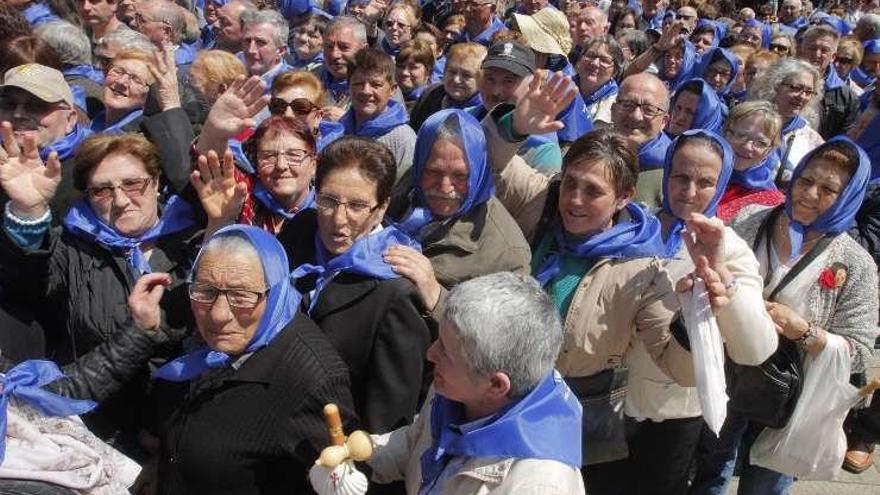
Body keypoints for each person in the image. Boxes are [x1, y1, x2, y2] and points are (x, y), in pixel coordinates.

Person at [484, 74, 697, 493]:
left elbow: (680, 368)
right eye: (571, 183)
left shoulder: (644, 267)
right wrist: (515, 126)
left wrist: (696, 316)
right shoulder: (542, 203)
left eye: (593, 191)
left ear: (624, 197)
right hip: (505, 399)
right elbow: (488, 160)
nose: (574, 201)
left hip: (575, 418)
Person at [692, 136, 880, 495]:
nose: (809, 194)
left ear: (848, 197)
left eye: (828, 189)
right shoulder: (750, 221)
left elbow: (859, 349)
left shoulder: (856, 264)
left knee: (766, 482)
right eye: (806, 180)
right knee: (709, 469)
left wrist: (804, 331)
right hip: (729, 374)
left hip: (789, 398)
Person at [0, 130, 199, 457]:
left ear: (156, 179)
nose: (120, 200)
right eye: (102, 191)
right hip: (101, 436)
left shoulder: (193, 240)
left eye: (133, 184)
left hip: (183, 436)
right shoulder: (72, 245)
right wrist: (30, 212)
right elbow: (23, 288)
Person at [320, 272, 586, 494]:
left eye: (445, 351)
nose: (430, 354)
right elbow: (417, 440)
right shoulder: (454, 388)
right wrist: (362, 457)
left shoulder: (540, 486)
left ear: (495, 385)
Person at [148, 224, 358, 494]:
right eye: (206, 290)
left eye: (241, 295)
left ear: (276, 292)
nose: (218, 314)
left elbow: (340, 483)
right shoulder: (200, 338)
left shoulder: (313, 382)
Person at [624, 129, 778, 495]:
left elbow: (755, 349)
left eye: (705, 182)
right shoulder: (633, 227)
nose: (689, 192)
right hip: (607, 403)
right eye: (680, 177)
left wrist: (722, 282)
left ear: (722, 183)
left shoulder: (729, 248)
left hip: (670, 414)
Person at [267, 137, 433, 438]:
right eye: (328, 200)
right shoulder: (301, 230)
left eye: (357, 206)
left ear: (381, 209)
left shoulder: (395, 292)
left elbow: (387, 421)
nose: (337, 220)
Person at [382, 108, 532, 310]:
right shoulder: (402, 188)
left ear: (478, 171)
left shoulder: (507, 254)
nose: (445, 187)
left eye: (461, 176)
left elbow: (501, 333)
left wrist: (436, 295)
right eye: (434, 171)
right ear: (418, 164)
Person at [468, 40, 562, 174]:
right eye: (490, 79)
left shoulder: (543, 148)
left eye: (508, 82)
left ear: (531, 85)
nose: (496, 91)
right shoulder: (464, 118)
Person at [339, 48, 415, 182]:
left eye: (376, 84)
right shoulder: (338, 130)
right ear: (348, 86)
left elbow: (403, 193)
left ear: (392, 90)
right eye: (358, 83)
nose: (366, 91)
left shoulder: (403, 139)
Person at [748, 58, 825, 183]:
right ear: (776, 85)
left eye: (808, 92)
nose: (802, 96)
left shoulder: (811, 140)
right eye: (796, 88)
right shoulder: (748, 121)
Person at [717, 101, 786, 223]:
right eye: (741, 135)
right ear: (725, 132)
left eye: (761, 143)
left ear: (769, 150)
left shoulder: (770, 202)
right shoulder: (697, 173)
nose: (748, 146)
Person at [611, 72, 672, 207]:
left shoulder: (671, 174)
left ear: (664, 121)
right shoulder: (592, 152)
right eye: (628, 104)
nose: (636, 116)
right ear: (613, 110)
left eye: (649, 110)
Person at [798, 25, 860, 139]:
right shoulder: (780, 81)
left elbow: (844, 138)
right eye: (812, 48)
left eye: (824, 50)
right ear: (801, 50)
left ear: (833, 56)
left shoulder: (847, 97)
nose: (817, 54)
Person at [34, 20, 106, 119]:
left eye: (36, 48)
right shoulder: (95, 81)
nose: (31, 54)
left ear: (51, 55)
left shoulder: (67, 94)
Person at [409, 42, 486, 131]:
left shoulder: (485, 111)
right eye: (452, 72)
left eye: (466, 75)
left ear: (482, 79)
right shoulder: (431, 95)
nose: (456, 80)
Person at [316, 15, 368, 118]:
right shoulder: (311, 77)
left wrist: (348, 122)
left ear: (364, 49)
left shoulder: (378, 86)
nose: (334, 54)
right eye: (329, 46)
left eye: (344, 47)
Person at [240, 9, 293, 92]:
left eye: (260, 42)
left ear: (280, 50)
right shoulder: (234, 76)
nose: (251, 50)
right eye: (247, 41)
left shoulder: (293, 86)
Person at [576, 36, 621, 125]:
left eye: (604, 60)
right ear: (579, 60)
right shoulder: (561, 85)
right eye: (590, 56)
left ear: (615, 71)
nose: (595, 63)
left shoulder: (616, 104)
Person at [396, 39, 434, 109]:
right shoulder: (387, 99)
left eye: (413, 67)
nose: (404, 72)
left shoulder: (432, 103)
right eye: (400, 66)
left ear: (428, 70)